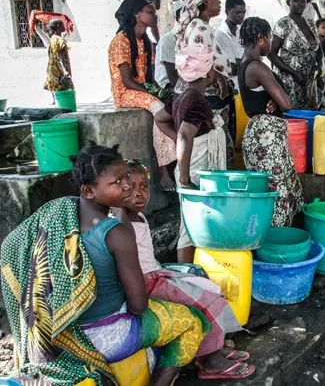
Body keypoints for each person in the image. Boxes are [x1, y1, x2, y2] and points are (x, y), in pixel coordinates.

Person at [0, 143, 206, 385]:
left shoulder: (61, 213)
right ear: (88, 191)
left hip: (63, 333)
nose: (128, 185)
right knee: (192, 319)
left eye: (126, 176)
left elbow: (12, 244)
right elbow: (138, 306)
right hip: (108, 335)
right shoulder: (117, 233)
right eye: (117, 182)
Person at [114, 159, 256, 380]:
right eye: (130, 187)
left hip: (158, 273)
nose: (139, 193)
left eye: (143, 186)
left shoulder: (137, 215)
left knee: (211, 288)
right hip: (148, 282)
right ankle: (209, 359)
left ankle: (214, 347)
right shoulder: (121, 222)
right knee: (206, 301)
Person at [155, 44, 229, 263]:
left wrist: (178, 137)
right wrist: (185, 178)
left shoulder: (182, 96)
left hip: (190, 165)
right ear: (207, 72)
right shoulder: (196, 101)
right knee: (190, 228)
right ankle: (187, 275)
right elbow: (185, 136)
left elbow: (160, 119)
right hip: (195, 170)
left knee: (194, 224)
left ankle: (193, 273)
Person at [239, 17, 304, 226]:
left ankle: (267, 238)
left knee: (268, 189)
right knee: (276, 190)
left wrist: (274, 100)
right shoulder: (258, 67)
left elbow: (274, 100)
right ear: (260, 39)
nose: (270, 43)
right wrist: (278, 100)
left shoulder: (244, 65)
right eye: (268, 38)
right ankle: (276, 245)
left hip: (257, 132)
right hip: (266, 136)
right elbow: (287, 104)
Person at [108, 0, 176, 191]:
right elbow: (128, 81)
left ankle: (172, 161)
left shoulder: (144, 40)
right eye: (150, 11)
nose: (154, 14)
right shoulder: (121, 41)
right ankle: (164, 170)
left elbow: (149, 77)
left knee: (170, 103)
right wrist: (154, 93)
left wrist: (160, 92)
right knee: (160, 109)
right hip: (125, 93)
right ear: (137, 15)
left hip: (141, 90)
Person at [174, 0, 236, 168]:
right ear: (204, 1)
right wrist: (219, 77)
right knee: (210, 148)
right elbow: (202, 63)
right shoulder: (200, 28)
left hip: (204, 94)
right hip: (206, 96)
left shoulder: (197, 25)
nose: (219, 2)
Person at [268, 0, 323, 110]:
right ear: (288, 2)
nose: (300, 3)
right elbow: (271, 54)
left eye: (303, 0)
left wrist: (319, 65)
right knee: (294, 119)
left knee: (309, 119)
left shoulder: (310, 23)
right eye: (295, 0)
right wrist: (293, 73)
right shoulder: (283, 24)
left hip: (309, 82)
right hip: (291, 82)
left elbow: (318, 49)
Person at [215, 0, 247, 87]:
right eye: (237, 12)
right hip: (230, 86)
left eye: (243, 12)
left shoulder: (241, 32)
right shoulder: (221, 34)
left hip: (242, 83)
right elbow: (231, 67)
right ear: (227, 11)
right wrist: (251, 61)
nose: (241, 15)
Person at [39, 19, 74, 102]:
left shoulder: (53, 39)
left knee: (59, 93)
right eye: (62, 24)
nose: (64, 26)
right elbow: (61, 57)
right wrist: (65, 71)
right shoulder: (59, 40)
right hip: (59, 70)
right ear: (58, 26)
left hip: (53, 69)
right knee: (67, 91)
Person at [154, 0, 184, 93]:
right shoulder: (168, 39)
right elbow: (173, 79)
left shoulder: (191, 38)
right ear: (178, 18)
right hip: (169, 87)